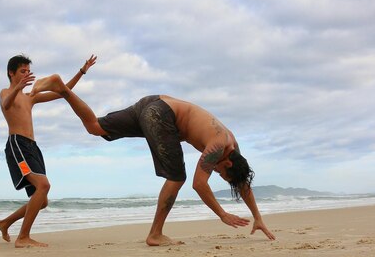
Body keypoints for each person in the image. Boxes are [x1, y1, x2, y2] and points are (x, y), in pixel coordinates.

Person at [30, 80, 276, 246]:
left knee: (94, 127)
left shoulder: (233, 150)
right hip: (161, 114)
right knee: (177, 176)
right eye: (222, 174)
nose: (217, 173)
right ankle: (155, 234)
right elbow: (199, 184)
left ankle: (62, 89)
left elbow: (242, 183)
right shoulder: (218, 146)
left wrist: (258, 217)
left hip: (152, 103)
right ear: (228, 164)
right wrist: (222, 214)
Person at [0, 54, 97, 247]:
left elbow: (62, 92)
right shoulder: (6, 93)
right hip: (18, 145)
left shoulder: (29, 97)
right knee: (43, 186)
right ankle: (23, 237)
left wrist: (82, 72)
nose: (26, 74)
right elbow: (5, 104)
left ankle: (5, 223)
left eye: (28, 71)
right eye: (22, 71)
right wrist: (18, 86)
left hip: (33, 147)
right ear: (11, 73)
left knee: (42, 201)